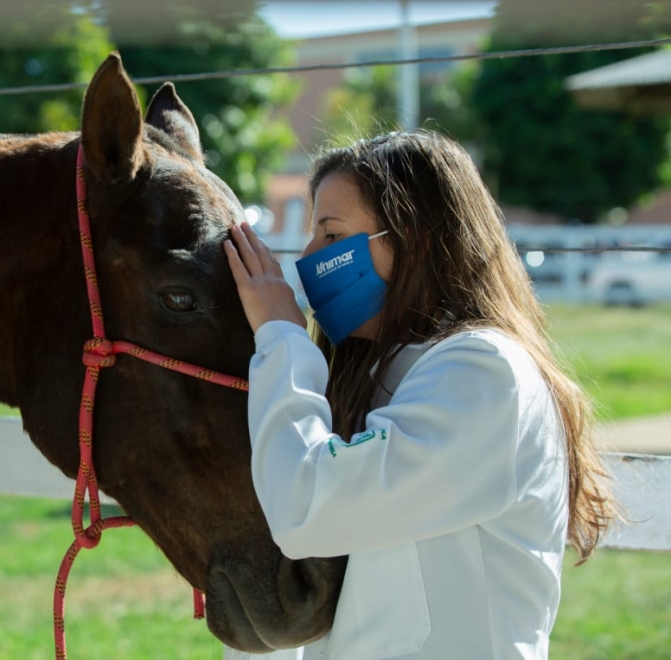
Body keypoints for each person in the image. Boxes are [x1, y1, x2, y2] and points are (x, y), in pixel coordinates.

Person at [222, 130, 614, 660]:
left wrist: (282, 340)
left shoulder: (486, 375)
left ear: (417, 239)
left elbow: (310, 509)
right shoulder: (379, 369)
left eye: (332, 237)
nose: (306, 260)